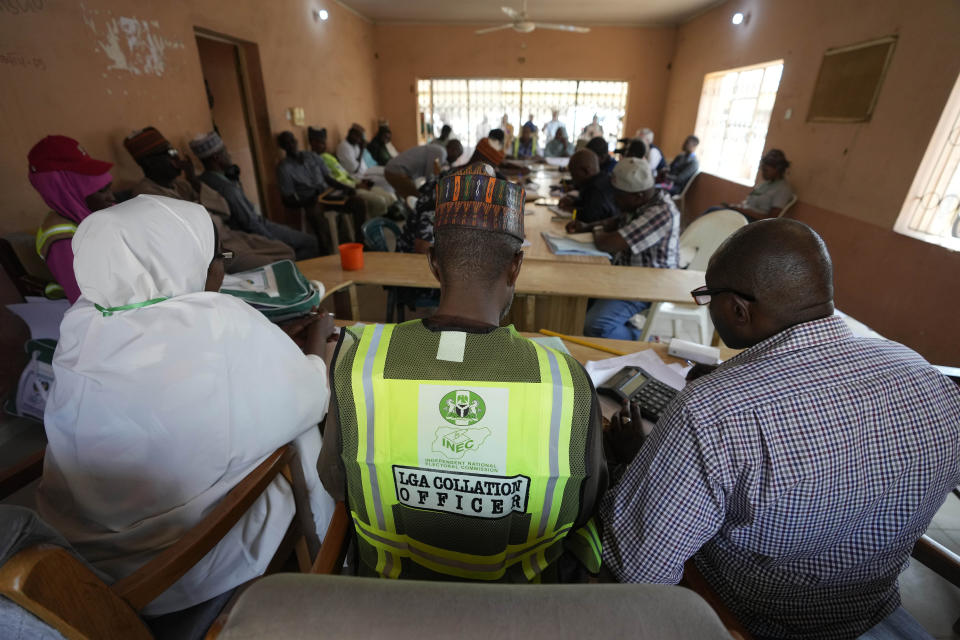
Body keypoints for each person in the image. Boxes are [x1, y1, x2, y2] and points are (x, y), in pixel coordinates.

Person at [600, 218, 960, 639]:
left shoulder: (711, 412)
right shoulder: (920, 370)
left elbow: (638, 572)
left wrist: (638, 463)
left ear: (738, 309)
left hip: (753, 619)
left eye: (708, 296)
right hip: (869, 602)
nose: (708, 306)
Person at [37, 194, 339, 616]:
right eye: (216, 257)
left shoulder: (82, 319)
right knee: (302, 432)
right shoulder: (217, 320)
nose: (218, 269)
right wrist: (317, 343)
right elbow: (311, 396)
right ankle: (326, 555)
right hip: (184, 560)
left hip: (84, 551)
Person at [318, 164, 606, 582]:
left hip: (388, 598)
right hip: (521, 609)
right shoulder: (567, 382)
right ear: (516, 266)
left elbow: (336, 482)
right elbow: (584, 506)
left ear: (433, 263)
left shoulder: (357, 364)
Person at [127, 126, 294, 272]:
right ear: (149, 163)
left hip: (230, 237)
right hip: (214, 252)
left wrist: (193, 180)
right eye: (169, 154)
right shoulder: (145, 195)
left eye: (175, 152)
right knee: (270, 265)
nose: (176, 159)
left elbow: (224, 209)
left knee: (285, 252)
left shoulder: (182, 185)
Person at [567, 157, 679, 340]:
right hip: (626, 276)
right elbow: (615, 222)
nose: (614, 199)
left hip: (650, 285)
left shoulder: (661, 212)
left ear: (638, 195)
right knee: (576, 297)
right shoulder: (641, 203)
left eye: (619, 195)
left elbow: (607, 243)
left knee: (595, 326)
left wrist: (596, 230)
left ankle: (645, 338)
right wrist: (587, 226)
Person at [191, 131, 319, 260]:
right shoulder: (228, 189)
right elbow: (250, 223)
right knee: (309, 243)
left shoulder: (204, 180)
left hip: (252, 226)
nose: (229, 155)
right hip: (250, 232)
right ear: (216, 158)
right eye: (225, 151)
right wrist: (274, 244)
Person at [28, 135, 116, 303]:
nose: (111, 197)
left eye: (109, 188)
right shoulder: (60, 237)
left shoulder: (97, 213)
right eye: (102, 191)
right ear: (66, 191)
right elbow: (87, 300)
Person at [305, 127, 394, 217]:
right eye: (321, 143)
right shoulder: (312, 160)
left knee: (389, 196)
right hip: (343, 189)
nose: (325, 146)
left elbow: (344, 173)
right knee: (379, 201)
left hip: (352, 182)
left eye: (324, 142)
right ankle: (372, 224)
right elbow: (332, 180)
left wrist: (358, 183)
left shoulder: (328, 156)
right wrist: (354, 186)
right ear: (312, 143)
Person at [724, 149, 794, 220]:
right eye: (762, 169)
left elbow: (770, 219)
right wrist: (736, 207)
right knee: (717, 210)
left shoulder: (783, 189)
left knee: (716, 211)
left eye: (766, 170)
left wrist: (742, 210)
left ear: (778, 170)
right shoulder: (765, 184)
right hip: (742, 214)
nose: (763, 173)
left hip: (753, 222)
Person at [384, 139, 463, 199]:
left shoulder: (439, 151)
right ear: (453, 150)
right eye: (457, 155)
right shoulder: (441, 153)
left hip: (394, 170)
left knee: (413, 197)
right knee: (418, 200)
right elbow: (431, 178)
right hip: (396, 172)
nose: (456, 159)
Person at [558, 149, 618, 223]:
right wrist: (573, 202)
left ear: (586, 171)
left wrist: (571, 210)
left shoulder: (596, 189)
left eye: (573, 174)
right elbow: (588, 204)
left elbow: (590, 217)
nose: (573, 178)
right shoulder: (601, 179)